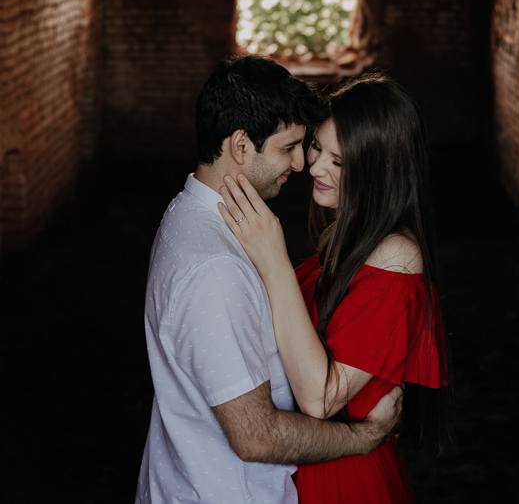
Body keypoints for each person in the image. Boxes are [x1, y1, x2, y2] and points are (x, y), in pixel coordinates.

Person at [135, 56, 403, 504]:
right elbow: (256, 436)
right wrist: (363, 438)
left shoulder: (187, 212)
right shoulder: (215, 270)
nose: (302, 164)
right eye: (289, 147)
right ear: (241, 146)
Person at [219, 75, 450, 504]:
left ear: (380, 168)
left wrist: (274, 263)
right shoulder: (343, 239)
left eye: (339, 162)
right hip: (305, 468)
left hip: (348, 482)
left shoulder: (396, 257)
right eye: (317, 147)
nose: (314, 166)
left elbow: (320, 399)